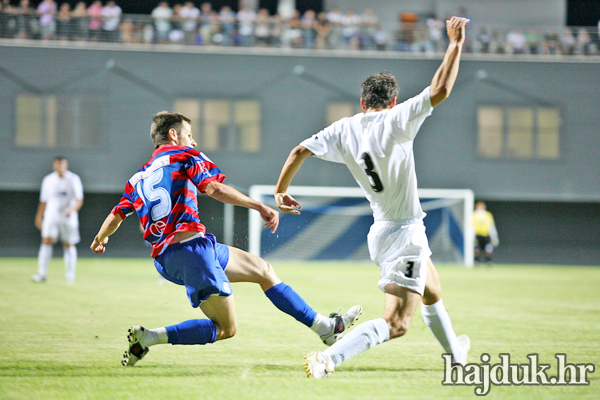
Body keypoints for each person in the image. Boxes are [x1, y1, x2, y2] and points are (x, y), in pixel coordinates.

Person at [274, 16, 471, 379]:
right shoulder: (397, 120)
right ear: (393, 100)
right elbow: (440, 89)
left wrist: (281, 191)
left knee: (432, 290)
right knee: (397, 323)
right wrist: (455, 44)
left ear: (362, 102)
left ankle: (456, 356)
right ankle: (328, 358)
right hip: (403, 234)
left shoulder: (344, 128)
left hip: (384, 231)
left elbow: (299, 151)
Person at [90, 112, 361, 367]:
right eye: (189, 134)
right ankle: (149, 337)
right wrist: (259, 206)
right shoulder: (185, 155)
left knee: (264, 271)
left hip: (177, 254)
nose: (193, 140)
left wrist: (100, 238)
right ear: (173, 135)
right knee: (226, 329)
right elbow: (213, 188)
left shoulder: (137, 178)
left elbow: (116, 216)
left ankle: (325, 328)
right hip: (191, 253)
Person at [33, 157, 84, 284]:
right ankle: (42, 274)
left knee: (69, 244)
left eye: (62, 164)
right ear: (54, 165)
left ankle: (70, 276)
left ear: (66, 165)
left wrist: (72, 210)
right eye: (57, 164)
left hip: (68, 217)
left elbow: (79, 199)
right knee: (46, 241)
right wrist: (39, 216)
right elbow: (43, 200)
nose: (60, 166)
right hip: (51, 216)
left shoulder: (73, 179)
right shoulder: (48, 180)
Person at [472, 201, 499, 266]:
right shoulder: (474, 215)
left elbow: (491, 226)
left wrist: (494, 236)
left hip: (486, 235)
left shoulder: (488, 215)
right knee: (476, 250)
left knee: (488, 249)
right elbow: (471, 227)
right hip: (477, 235)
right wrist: (472, 237)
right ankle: (476, 261)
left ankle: (488, 261)